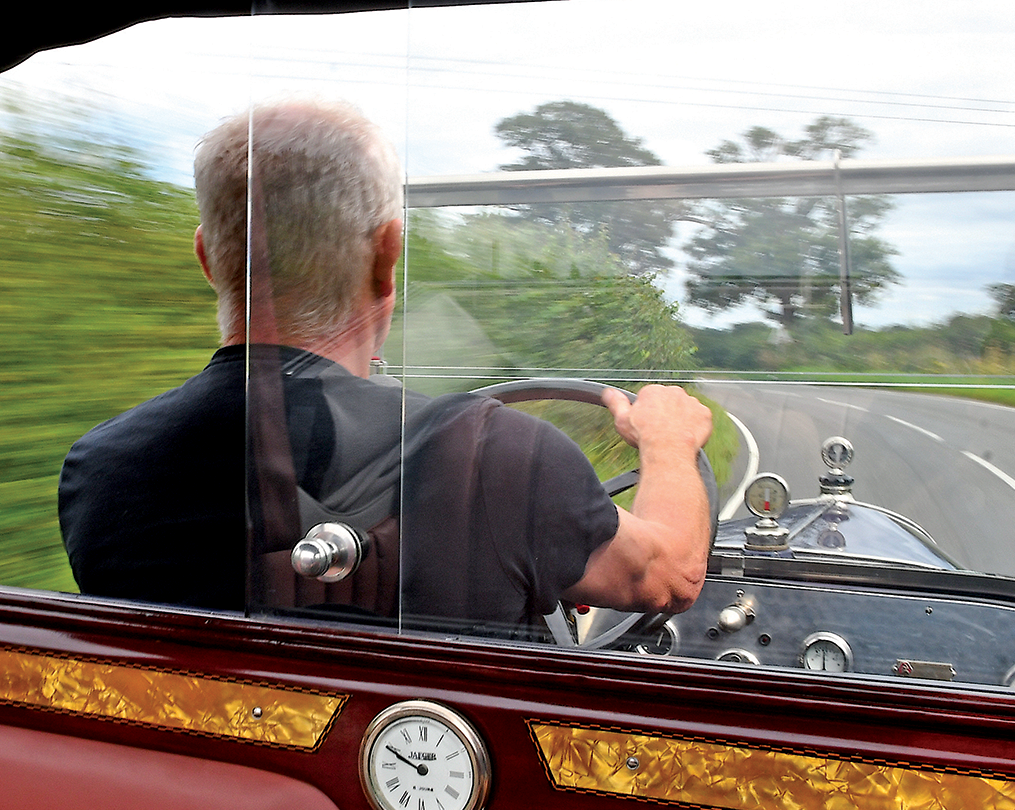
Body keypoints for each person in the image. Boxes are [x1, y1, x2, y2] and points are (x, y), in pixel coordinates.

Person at [58, 99, 712, 636]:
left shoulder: (101, 471)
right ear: (387, 254)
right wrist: (668, 442)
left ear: (208, 258)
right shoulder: (499, 458)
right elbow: (670, 575)